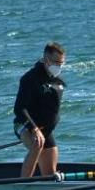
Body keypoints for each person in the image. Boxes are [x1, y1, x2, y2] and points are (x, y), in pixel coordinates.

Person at [13, 42, 66, 178]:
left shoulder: (57, 80)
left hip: (46, 130)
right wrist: (34, 129)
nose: (59, 66)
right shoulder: (30, 79)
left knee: (49, 173)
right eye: (56, 63)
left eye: (61, 63)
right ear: (46, 59)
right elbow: (19, 108)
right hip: (24, 125)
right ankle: (23, 186)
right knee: (38, 145)